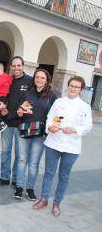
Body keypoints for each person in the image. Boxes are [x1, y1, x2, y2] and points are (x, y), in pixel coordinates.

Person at [33, 76, 92, 217]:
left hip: (72, 147)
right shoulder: (59, 102)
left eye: (76, 87)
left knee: (64, 176)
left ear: (81, 90)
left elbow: (87, 126)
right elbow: (50, 118)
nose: (73, 88)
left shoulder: (85, 106)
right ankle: (44, 199)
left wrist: (75, 130)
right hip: (53, 143)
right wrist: (50, 127)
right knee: (49, 173)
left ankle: (57, 203)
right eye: (71, 85)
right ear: (68, 86)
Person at [14, 68, 57, 200]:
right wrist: (20, 112)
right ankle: (19, 187)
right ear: (34, 79)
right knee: (21, 160)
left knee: (33, 163)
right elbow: (19, 111)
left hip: (40, 134)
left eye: (42, 78)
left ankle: (30, 188)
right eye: (37, 77)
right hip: (24, 130)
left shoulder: (52, 96)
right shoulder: (27, 93)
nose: (39, 80)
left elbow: (56, 115)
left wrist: (55, 126)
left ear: (47, 80)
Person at [0, 56, 32, 187]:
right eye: (14, 66)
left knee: (20, 155)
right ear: (11, 67)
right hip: (7, 122)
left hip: (22, 123)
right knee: (5, 151)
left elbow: (33, 100)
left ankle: (16, 179)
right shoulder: (8, 80)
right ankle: (4, 177)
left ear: (23, 66)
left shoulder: (30, 81)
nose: (16, 68)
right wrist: (2, 108)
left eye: (18, 65)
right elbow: (2, 96)